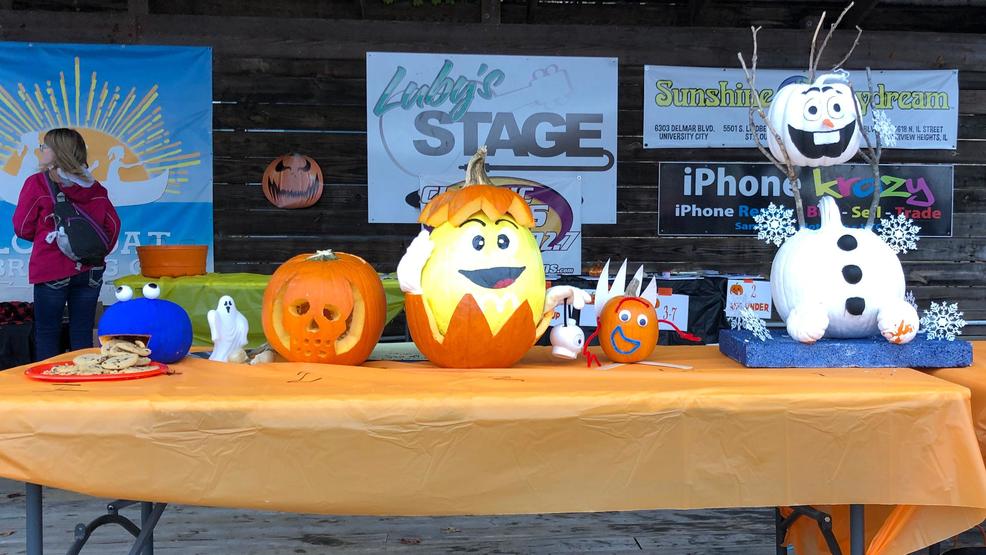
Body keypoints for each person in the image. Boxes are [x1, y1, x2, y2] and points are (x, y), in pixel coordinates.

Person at [12, 128, 121, 361]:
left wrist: (48, 240)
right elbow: (113, 225)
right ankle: (84, 379)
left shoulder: (38, 183)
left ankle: (51, 381)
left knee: (47, 333)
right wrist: (91, 251)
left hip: (51, 267)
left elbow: (22, 227)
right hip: (91, 269)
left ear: (58, 152)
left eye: (45, 146)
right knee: (82, 332)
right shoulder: (95, 187)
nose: (41, 150)